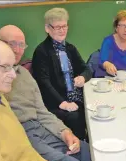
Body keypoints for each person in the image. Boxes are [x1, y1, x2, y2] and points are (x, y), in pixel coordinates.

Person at [32, 8, 92, 140]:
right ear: (47, 28)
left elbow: (87, 69)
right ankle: (79, 147)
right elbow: (43, 83)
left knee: (93, 110)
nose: (62, 30)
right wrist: (63, 103)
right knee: (76, 117)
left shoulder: (70, 48)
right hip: (55, 101)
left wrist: (83, 76)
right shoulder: (42, 51)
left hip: (75, 97)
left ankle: (90, 143)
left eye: (64, 26)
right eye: (57, 27)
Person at [97, 10, 126, 78]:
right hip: (111, 80)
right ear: (116, 27)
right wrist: (107, 64)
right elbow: (102, 62)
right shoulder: (108, 41)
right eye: (122, 26)